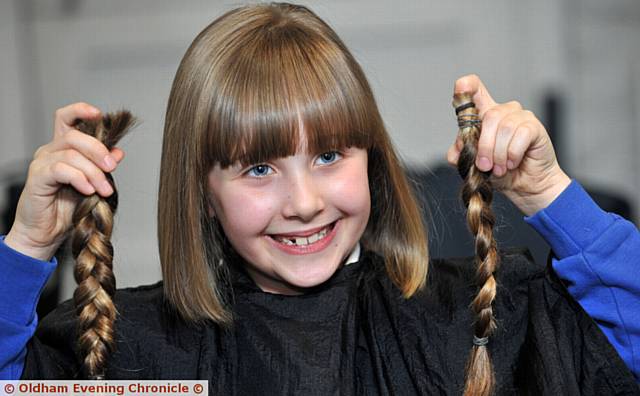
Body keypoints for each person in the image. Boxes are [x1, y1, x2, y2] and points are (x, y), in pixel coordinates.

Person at [1, 2, 639, 394]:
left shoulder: (472, 325)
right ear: (202, 193)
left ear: (373, 158)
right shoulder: (135, 363)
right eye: (257, 168)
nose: (304, 201)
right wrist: (27, 247)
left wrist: (550, 195)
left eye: (330, 156)